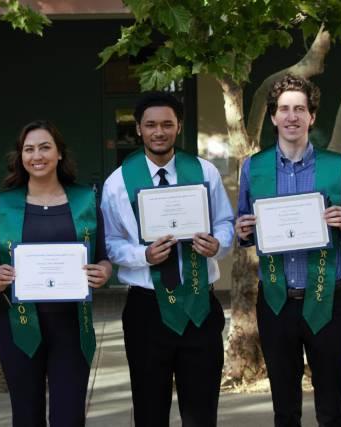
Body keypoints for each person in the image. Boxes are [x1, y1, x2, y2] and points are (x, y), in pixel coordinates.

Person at [236, 74, 341, 427]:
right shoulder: (253, 166)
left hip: (326, 297)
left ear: (312, 117)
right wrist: (244, 231)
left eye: (300, 109)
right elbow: (245, 223)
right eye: (284, 109)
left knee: (331, 405)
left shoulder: (337, 164)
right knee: (285, 407)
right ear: (274, 117)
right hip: (276, 300)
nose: (292, 116)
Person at [101, 91, 235, 426]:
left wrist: (217, 244)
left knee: (201, 411)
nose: (158, 132)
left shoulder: (204, 172)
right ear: (138, 129)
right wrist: (142, 255)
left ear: (178, 127)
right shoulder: (117, 182)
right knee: (149, 410)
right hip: (147, 310)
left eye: (166, 124)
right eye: (150, 125)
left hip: (199, 306)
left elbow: (225, 222)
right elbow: (110, 243)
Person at [0, 120, 112, 426]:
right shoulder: (3, 203)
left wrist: (103, 272)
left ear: (60, 154)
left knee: (69, 417)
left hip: (72, 326)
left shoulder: (84, 200)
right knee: (26, 416)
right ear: (20, 157)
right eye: (29, 149)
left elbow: (103, 258)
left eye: (45, 147)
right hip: (19, 325)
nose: (36, 155)